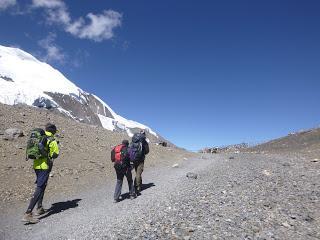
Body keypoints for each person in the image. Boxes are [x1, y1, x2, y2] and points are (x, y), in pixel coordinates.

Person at [22, 123, 59, 224]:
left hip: (36, 165)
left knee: (42, 186)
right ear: (53, 131)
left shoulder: (40, 136)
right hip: (44, 166)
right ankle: (28, 213)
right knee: (40, 187)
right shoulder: (51, 139)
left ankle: (39, 207)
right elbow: (55, 154)